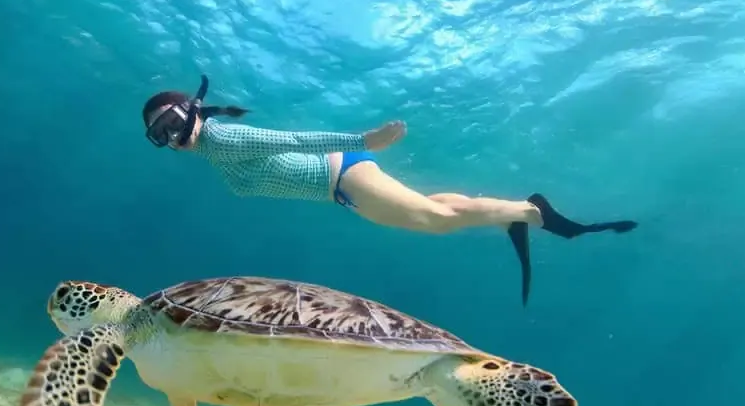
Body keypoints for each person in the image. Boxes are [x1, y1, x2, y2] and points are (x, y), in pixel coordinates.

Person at [142, 76, 638, 306]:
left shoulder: (221, 138)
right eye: (157, 136)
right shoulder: (214, 150)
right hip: (341, 186)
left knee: (433, 221)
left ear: (191, 110)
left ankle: (532, 213)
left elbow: (292, 139)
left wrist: (365, 139)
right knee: (434, 211)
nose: (169, 138)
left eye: (168, 123)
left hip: (342, 174)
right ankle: (515, 213)